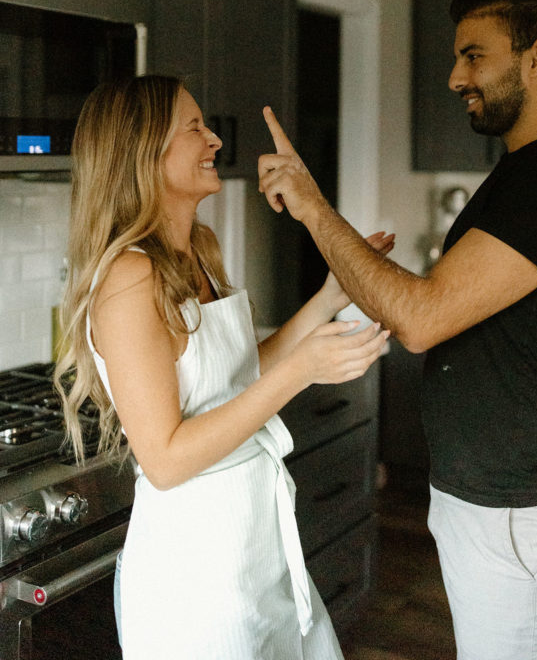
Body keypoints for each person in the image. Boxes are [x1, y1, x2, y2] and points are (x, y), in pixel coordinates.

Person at [257, 0, 537, 660]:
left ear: (536, 58)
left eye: (473, 55)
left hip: (518, 513)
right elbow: (435, 304)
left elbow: (421, 318)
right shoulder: (527, 171)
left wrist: (314, 207)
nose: (456, 77)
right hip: (505, 502)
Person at [55, 74, 391, 660]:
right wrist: (302, 370)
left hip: (256, 547)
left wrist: (330, 297)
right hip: (195, 576)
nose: (214, 139)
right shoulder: (128, 278)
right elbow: (164, 458)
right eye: (194, 128)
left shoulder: (198, 250)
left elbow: (231, 375)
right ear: (144, 153)